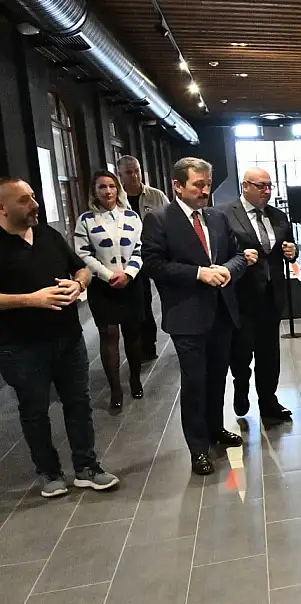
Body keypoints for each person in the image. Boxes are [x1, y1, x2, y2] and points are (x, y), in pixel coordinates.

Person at [0, 178, 119, 497]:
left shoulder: (48, 235)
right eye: (24, 200)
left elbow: (81, 268)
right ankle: (49, 472)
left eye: (33, 197)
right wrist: (30, 300)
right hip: (20, 345)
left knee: (79, 402)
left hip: (68, 337)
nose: (34, 204)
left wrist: (78, 285)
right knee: (34, 410)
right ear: (2, 208)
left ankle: (86, 467)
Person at [141, 158, 247, 476]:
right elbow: (153, 264)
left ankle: (216, 429)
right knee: (195, 382)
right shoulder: (160, 219)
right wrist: (199, 273)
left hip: (222, 312)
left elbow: (238, 254)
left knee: (217, 377)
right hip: (187, 315)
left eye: (207, 184)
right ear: (178, 185)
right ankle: (198, 448)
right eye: (198, 185)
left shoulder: (217, 217)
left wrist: (227, 270)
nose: (204, 191)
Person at [216, 168, 297, 426]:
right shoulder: (224, 215)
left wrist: (292, 252)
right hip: (241, 296)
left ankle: (268, 401)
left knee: (269, 353)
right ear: (245, 186)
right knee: (241, 352)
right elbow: (218, 254)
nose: (267, 191)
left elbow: (289, 249)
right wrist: (239, 260)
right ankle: (241, 389)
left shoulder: (279, 216)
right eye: (260, 186)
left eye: (269, 186)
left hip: (272, 296)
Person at [74, 170, 146, 412]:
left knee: (133, 333)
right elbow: (83, 253)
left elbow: (140, 249)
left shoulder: (132, 217)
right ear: (94, 191)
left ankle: (135, 379)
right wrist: (108, 275)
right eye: (102, 187)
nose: (107, 191)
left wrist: (128, 273)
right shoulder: (86, 220)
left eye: (112, 186)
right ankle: (115, 389)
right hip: (102, 286)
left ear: (118, 189)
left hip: (131, 282)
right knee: (109, 335)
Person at [117, 155, 169, 361]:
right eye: (129, 172)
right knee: (142, 301)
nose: (134, 176)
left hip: (156, 252)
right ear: (120, 175)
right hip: (131, 257)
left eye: (137, 171)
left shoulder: (156, 196)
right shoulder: (116, 199)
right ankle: (146, 344)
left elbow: (170, 220)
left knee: (167, 294)